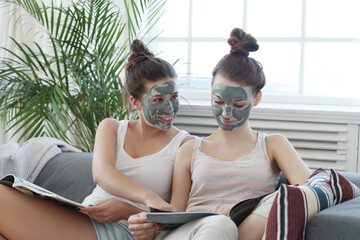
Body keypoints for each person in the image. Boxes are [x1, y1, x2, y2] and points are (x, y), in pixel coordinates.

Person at [127, 28, 312, 240]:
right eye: (218, 102)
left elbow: (311, 190)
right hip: (190, 233)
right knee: (218, 225)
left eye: (238, 104)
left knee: (271, 204)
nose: (226, 112)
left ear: (257, 98)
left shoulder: (273, 145)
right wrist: (149, 227)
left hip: (238, 231)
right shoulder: (190, 149)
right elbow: (175, 214)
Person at [0, 39, 191, 240]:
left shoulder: (183, 145)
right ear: (136, 102)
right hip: (85, 217)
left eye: (174, 97)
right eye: (158, 100)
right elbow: (102, 173)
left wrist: (127, 210)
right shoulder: (111, 128)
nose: (169, 107)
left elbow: (175, 219)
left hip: (125, 230)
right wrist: (148, 197)